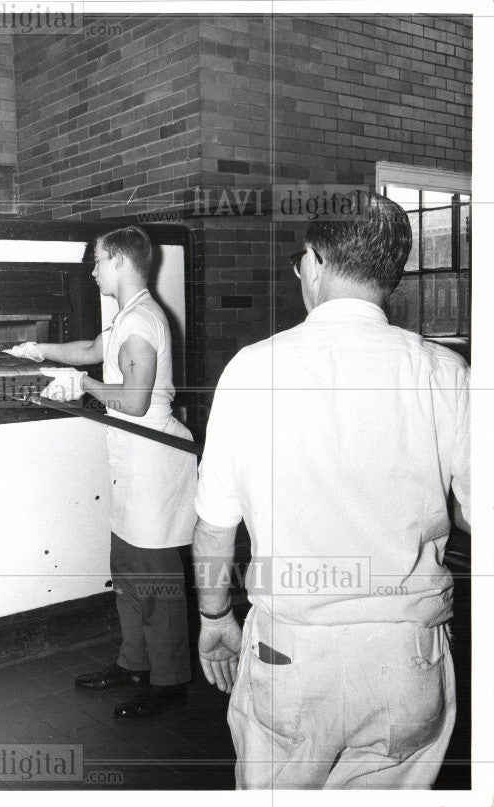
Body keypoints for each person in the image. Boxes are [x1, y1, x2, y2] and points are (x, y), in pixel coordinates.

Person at [192, 191, 471, 788]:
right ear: (391, 276)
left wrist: (214, 614)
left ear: (314, 262)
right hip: (407, 659)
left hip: (292, 656)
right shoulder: (444, 373)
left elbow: (215, 527)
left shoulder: (251, 370)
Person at [6, 225, 198, 718]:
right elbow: (93, 348)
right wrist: (38, 352)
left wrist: (84, 384)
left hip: (152, 458)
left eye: (96, 261)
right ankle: (134, 663)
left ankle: (170, 679)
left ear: (118, 261)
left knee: (156, 578)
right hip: (131, 459)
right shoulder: (127, 316)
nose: (92, 271)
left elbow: (134, 401)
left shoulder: (143, 322)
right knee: (127, 569)